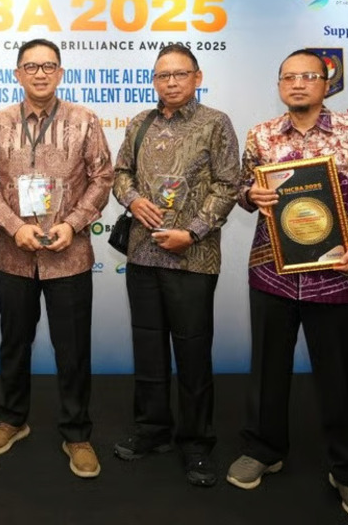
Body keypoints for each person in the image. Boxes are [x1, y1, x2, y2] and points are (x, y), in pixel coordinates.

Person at [226, 49, 348, 521]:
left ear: (327, 83)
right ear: (279, 84)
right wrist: (250, 194)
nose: (297, 84)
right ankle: (263, 450)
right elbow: (242, 189)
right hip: (272, 273)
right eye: (288, 77)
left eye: (308, 76)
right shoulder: (261, 135)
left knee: (341, 378)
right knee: (267, 371)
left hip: (338, 274)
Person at [0, 38, 115, 479]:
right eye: (31, 66)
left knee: (72, 349)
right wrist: (15, 226)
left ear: (60, 73)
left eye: (48, 66)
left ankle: (77, 434)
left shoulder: (85, 121)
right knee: (14, 342)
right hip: (14, 255)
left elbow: (103, 177)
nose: (40, 73)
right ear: (17, 74)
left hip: (69, 255)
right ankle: (12, 419)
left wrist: (73, 223)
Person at [111, 43, 239, 487]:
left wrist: (194, 231)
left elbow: (229, 184)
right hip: (143, 255)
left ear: (197, 78)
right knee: (148, 349)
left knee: (192, 352)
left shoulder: (215, 123)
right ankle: (152, 429)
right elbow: (120, 173)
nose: (170, 82)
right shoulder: (139, 123)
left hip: (192, 257)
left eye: (179, 74)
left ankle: (197, 443)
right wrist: (133, 200)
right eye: (162, 75)